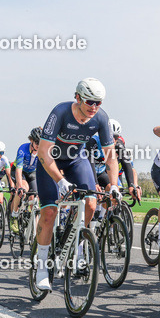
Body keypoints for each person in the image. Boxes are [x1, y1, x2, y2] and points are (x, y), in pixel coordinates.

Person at [34, 78, 120, 291]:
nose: (94, 107)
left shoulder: (100, 118)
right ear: (78, 97)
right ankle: (42, 267)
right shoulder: (60, 112)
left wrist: (114, 185)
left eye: (98, 103)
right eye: (90, 102)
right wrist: (60, 180)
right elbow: (44, 152)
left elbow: (111, 158)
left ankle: (78, 244)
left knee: (91, 204)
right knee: (49, 212)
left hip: (75, 159)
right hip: (51, 160)